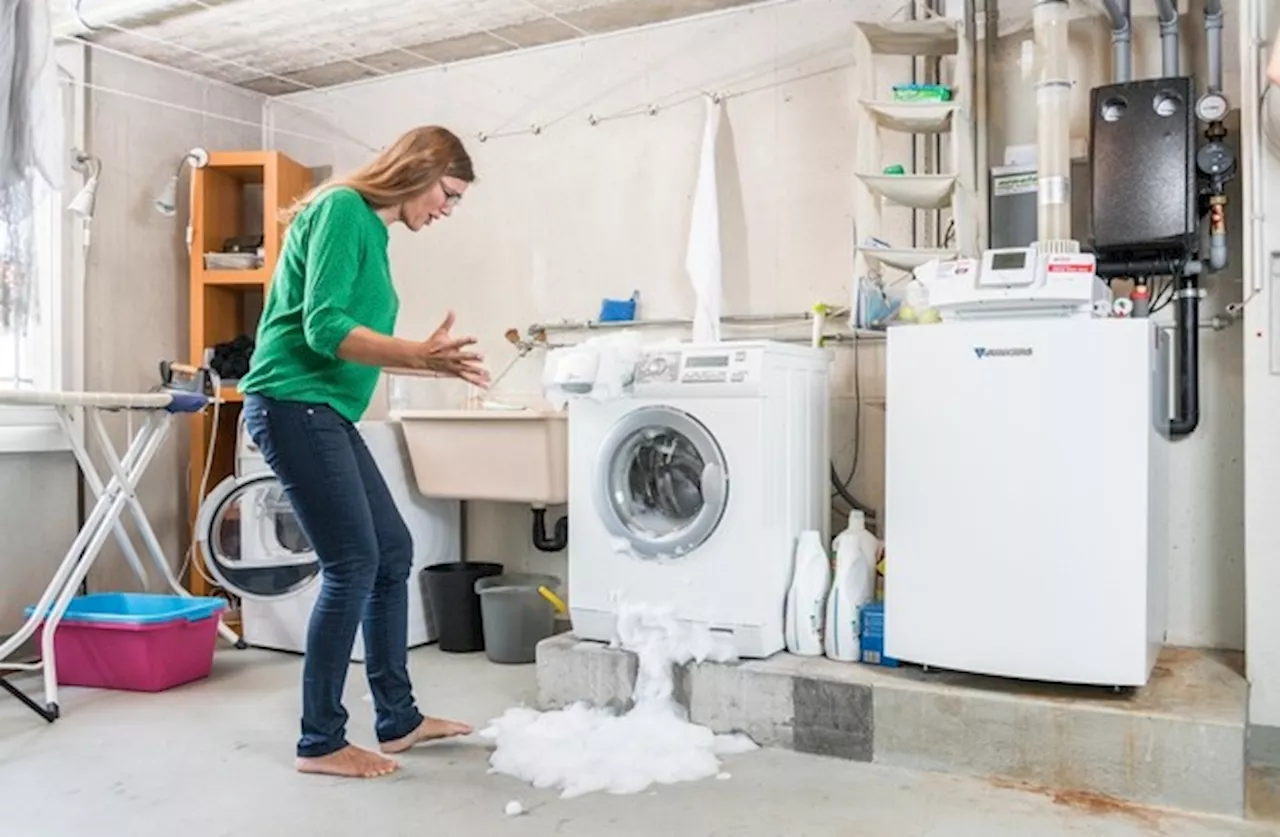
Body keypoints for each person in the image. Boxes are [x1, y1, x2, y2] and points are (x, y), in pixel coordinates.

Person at [237, 125, 491, 779]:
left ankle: (397, 719)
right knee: (352, 561)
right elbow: (323, 327)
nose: (447, 209)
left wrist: (430, 365)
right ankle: (320, 740)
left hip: (324, 408)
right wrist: (417, 354)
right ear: (419, 170)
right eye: (448, 193)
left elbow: (350, 336)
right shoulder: (342, 209)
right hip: (294, 403)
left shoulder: (370, 230)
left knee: (392, 552)